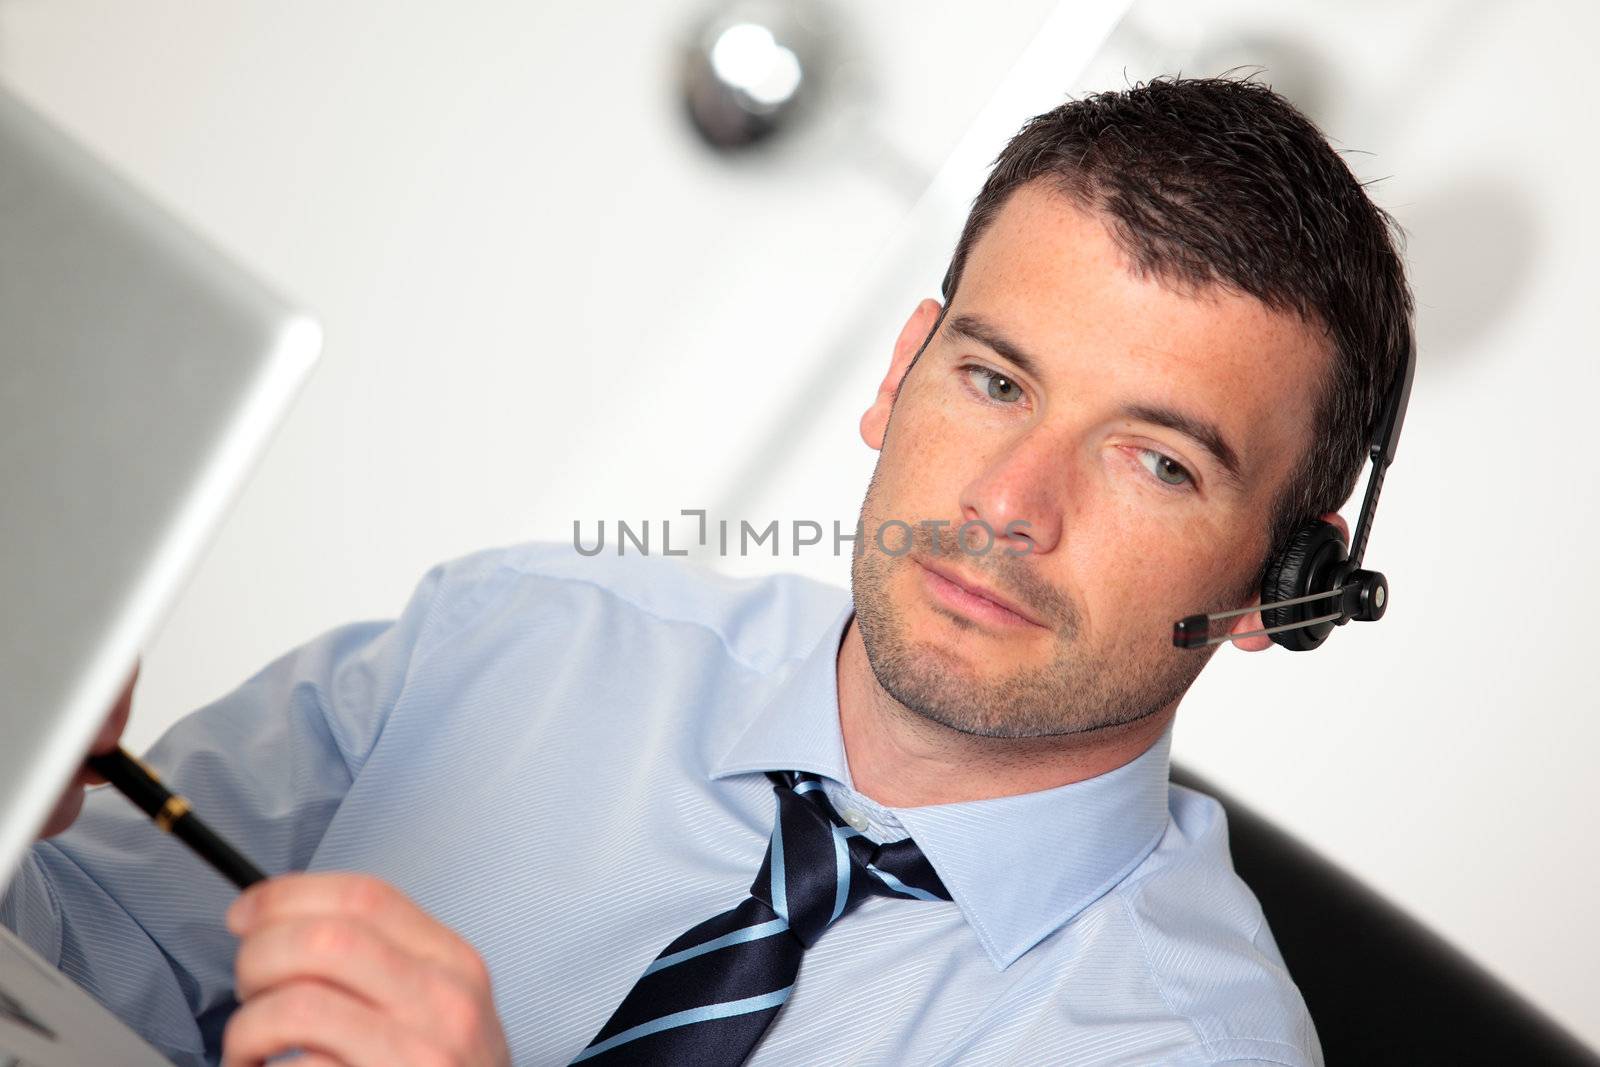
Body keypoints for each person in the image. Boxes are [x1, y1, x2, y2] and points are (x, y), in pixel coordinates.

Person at [3, 74, 1413, 1066]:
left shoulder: (1175, 1052)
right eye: (992, 381)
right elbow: (61, 975)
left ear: (1286, 590)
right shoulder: (516, 642)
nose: (1007, 505)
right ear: (898, 372)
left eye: (1156, 462)